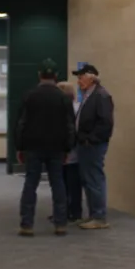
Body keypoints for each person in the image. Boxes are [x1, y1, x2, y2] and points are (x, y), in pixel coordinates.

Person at [14, 59, 77, 236]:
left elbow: (21, 124)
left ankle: (26, 224)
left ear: (39, 75)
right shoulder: (64, 98)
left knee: (30, 184)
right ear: (56, 76)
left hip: (33, 147)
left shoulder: (29, 96)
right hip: (57, 148)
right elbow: (70, 126)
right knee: (58, 184)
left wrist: (19, 147)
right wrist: (68, 148)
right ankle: (60, 224)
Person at [72, 63, 114, 230]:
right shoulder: (89, 95)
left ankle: (99, 216)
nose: (78, 81)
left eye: (81, 77)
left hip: (93, 145)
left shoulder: (101, 96)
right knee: (88, 180)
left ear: (91, 78)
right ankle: (93, 214)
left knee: (94, 179)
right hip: (85, 144)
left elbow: (106, 123)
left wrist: (91, 139)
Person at [58, 80, 85, 223]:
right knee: (73, 184)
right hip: (74, 152)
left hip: (66, 151)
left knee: (64, 184)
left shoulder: (66, 110)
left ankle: (68, 211)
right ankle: (73, 211)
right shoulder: (78, 107)